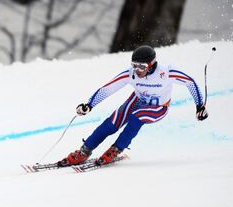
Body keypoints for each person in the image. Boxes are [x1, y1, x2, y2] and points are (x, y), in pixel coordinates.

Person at [58, 45, 208, 167]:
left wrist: (199, 106)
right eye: (134, 66)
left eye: (141, 67)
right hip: (136, 101)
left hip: (159, 107)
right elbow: (108, 88)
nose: (137, 70)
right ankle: (84, 151)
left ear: (151, 65)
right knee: (112, 123)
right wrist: (89, 105)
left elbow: (190, 82)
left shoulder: (166, 72)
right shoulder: (131, 74)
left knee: (137, 117)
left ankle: (116, 149)